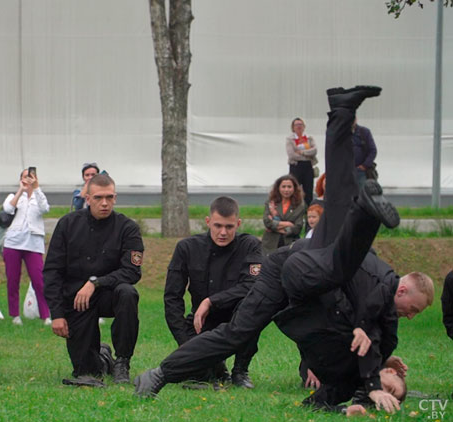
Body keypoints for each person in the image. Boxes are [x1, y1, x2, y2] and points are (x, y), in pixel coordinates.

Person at [136, 86, 434, 415]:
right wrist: (374, 374)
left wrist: (371, 378)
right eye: (414, 308)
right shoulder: (377, 280)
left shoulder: (383, 322)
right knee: (241, 331)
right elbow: (369, 316)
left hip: (315, 265)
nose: (412, 315)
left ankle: (341, 111)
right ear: (403, 288)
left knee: (337, 199)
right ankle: (159, 374)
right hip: (296, 269)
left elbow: (365, 342)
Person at [44, 173, 143, 385]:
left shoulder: (128, 228)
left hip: (109, 294)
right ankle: (104, 358)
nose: (104, 203)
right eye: (98, 198)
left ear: (115, 197)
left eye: (109, 197)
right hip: (77, 300)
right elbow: (52, 272)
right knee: (86, 373)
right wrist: (57, 314)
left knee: (127, 293)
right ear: (87, 199)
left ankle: (122, 362)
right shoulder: (68, 225)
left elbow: (132, 272)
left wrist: (95, 282)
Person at [164, 196, 262, 388]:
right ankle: (214, 367)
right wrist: (185, 344)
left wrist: (211, 301)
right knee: (199, 373)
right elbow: (172, 298)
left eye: (229, 227)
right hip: (202, 323)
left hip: (237, 319)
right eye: (217, 226)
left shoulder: (250, 245)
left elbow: (253, 285)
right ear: (208, 222)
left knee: (254, 305)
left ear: (238, 224)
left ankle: (240, 371)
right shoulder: (187, 248)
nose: (223, 232)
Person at [2, 168, 51, 326]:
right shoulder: (14, 196)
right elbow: (8, 209)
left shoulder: (39, 195)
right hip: (13, 242)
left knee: (39, 280)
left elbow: (45, 208)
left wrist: (36, 188)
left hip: (33, 243)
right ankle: (15, 315)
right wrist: (20, 191)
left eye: (30, 177)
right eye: (24, 177)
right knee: (13, 279)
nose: (27, 180)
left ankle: (46, 315)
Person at [262, 174, 306, 254]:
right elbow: (267, 222)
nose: (286, 190)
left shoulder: (300, 205)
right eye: (283, 187)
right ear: (278, 188)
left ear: (294, 188)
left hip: (289, 243)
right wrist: (288, 223)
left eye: (289, 187)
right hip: (270, 244)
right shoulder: (271, 202)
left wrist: (278, 226)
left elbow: (297, 228)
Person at [286, 117, 317, 205]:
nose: (299, 127)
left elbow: (314, 151)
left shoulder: (309, 138)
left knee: (308, 190)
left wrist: (302, 152)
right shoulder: (290, 139)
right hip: (296, 166)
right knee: (294, 189)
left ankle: (309, 212)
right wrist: (307, 155)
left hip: (308, 166)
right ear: (293, 127)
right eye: (296, 125)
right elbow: (291, 155)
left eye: (301, 124)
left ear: (304, 127)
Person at [352, 118, 378, 188]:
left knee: (362, 194)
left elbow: (373, 150)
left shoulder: (364, 132)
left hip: (361, 172)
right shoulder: (341, 134)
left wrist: (364, 165)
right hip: (345, 172)